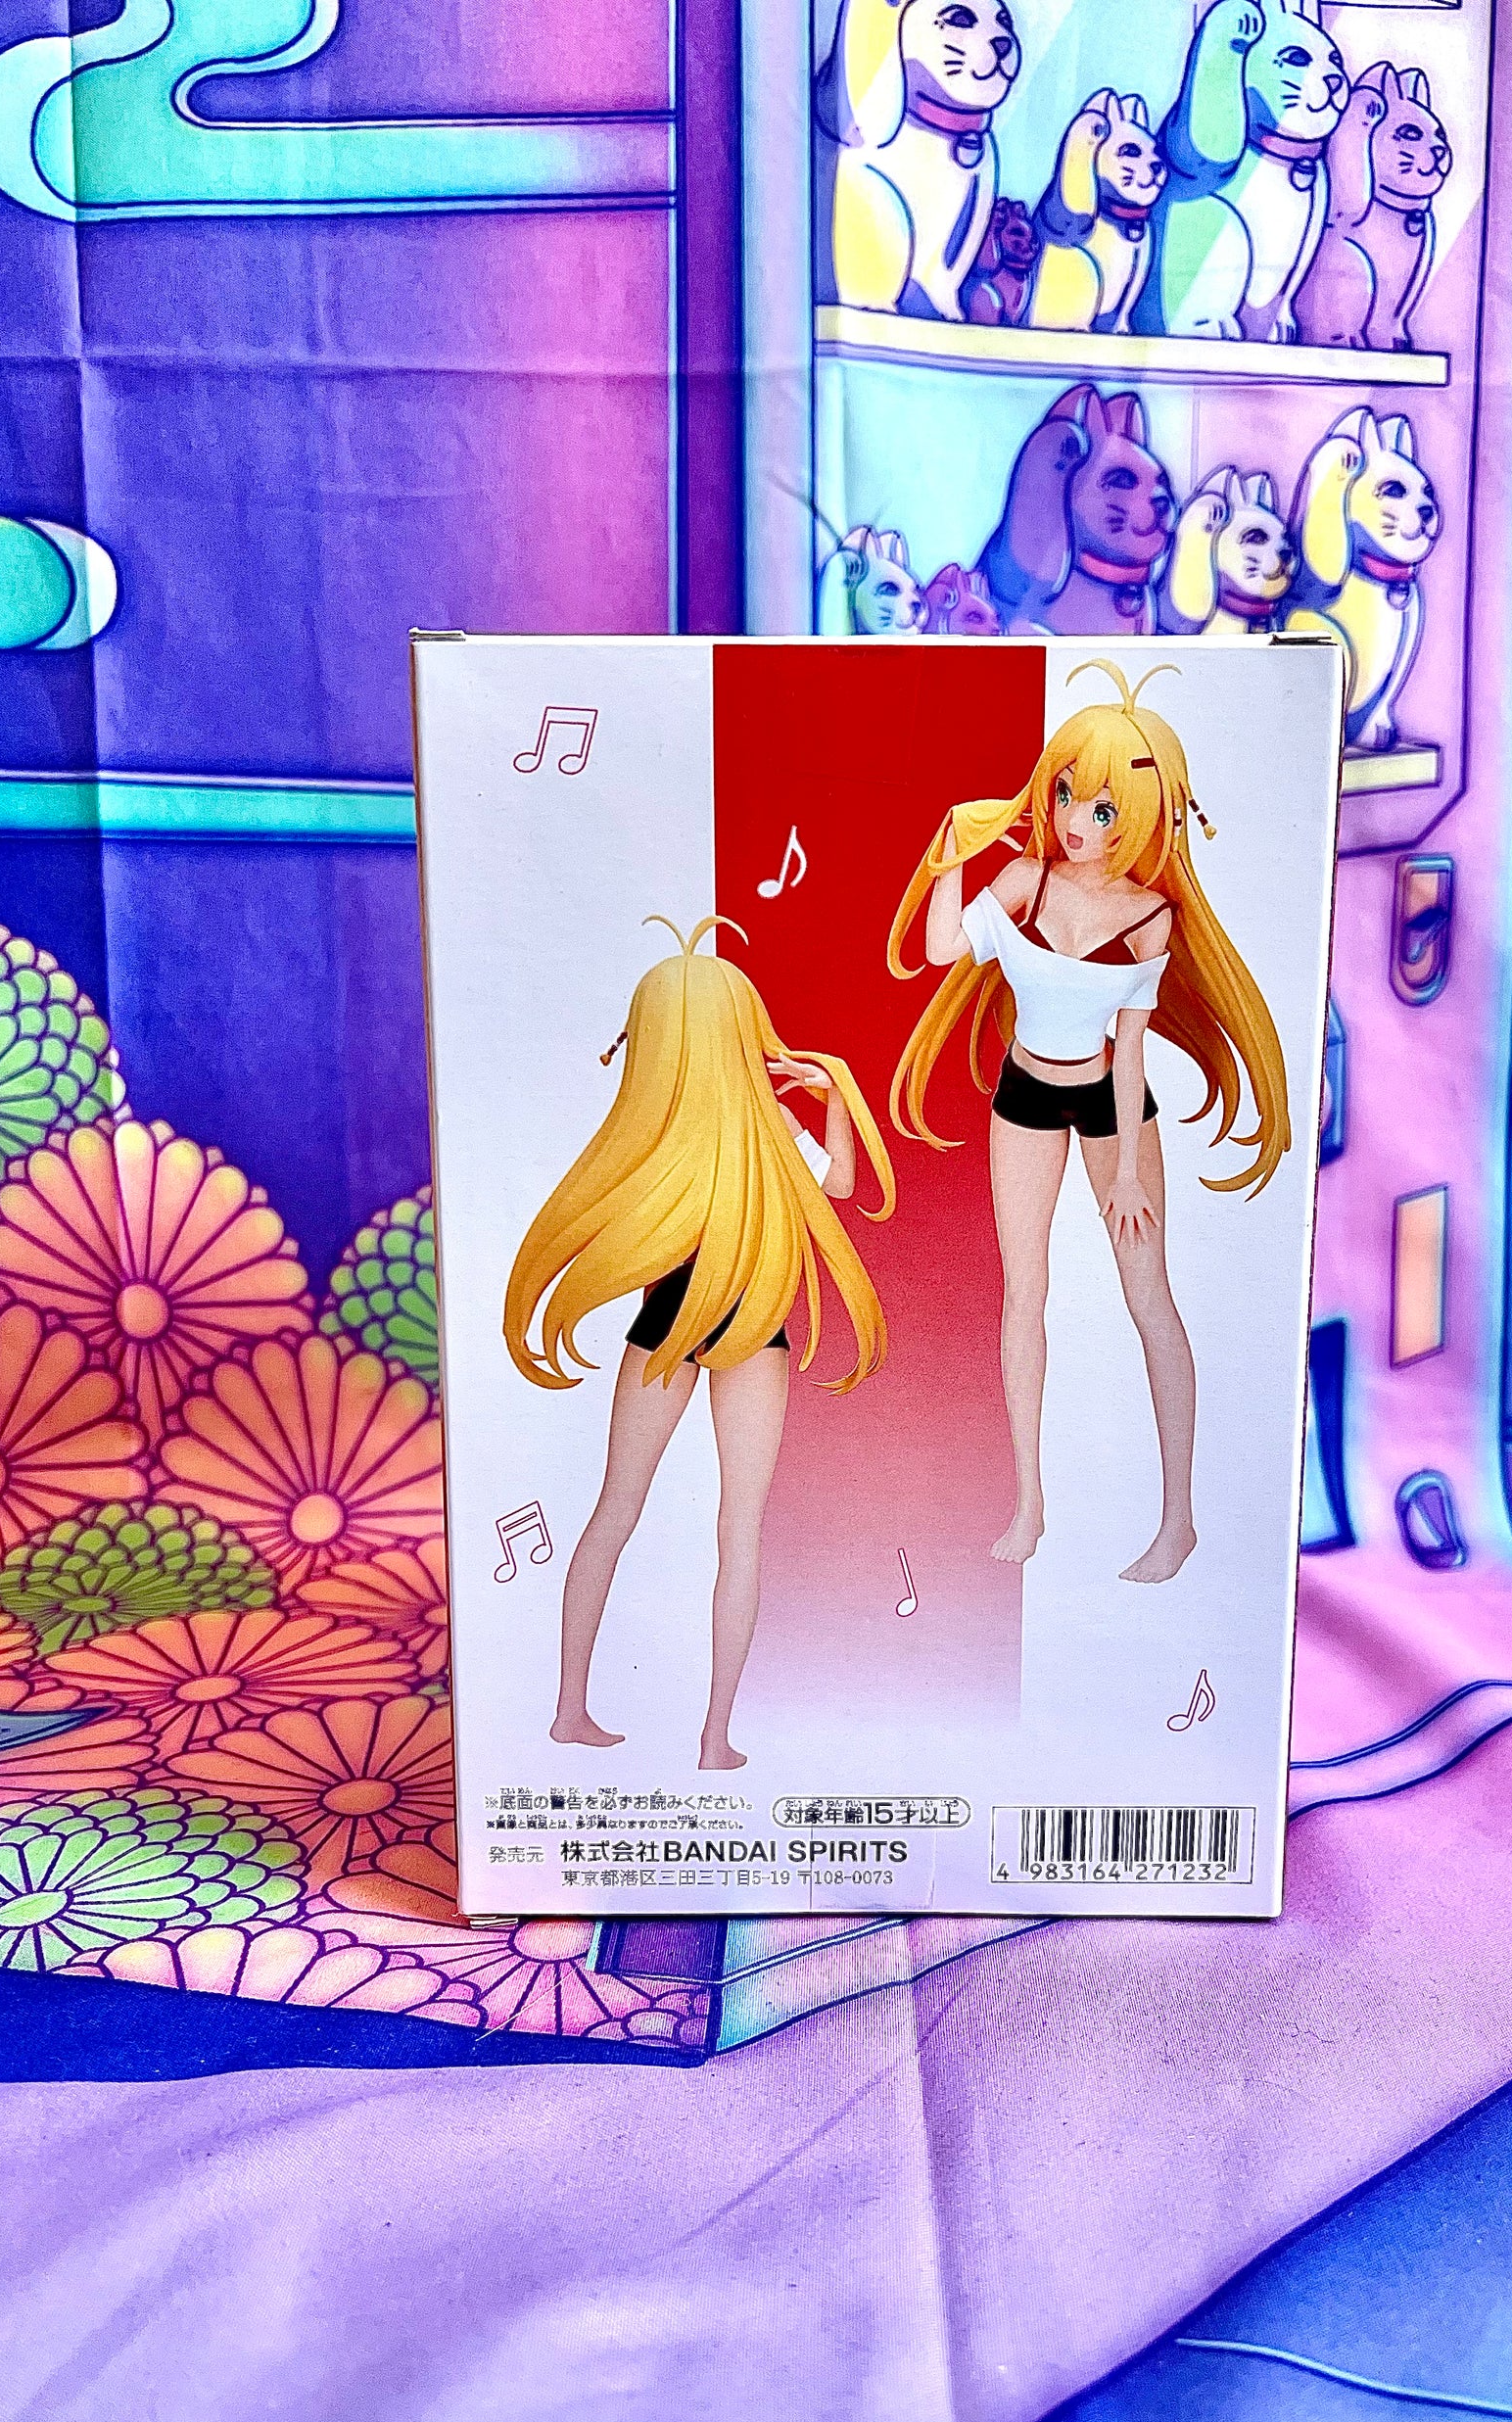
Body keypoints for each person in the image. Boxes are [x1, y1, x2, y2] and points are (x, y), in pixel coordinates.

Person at [887, 660, 1288, 1580]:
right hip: (1025, 1097)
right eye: (1067, 793)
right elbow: (942, 947)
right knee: (1023, 1292)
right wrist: (949, 847)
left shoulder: (1149, 917)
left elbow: (1133, 1046)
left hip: (1112, 1105)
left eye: (1103, 808)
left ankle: (1178, 1519)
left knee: (1148, 1294)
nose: (1076, 821)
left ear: (1140, 816)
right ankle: (1029, 1504)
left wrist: (1130, 1174)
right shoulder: (1023, 883)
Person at [504, 919, 893, 1768]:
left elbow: (834, 1188)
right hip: (739, 1327)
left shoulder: (661, 1131)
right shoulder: (751, 1124)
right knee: (722, 1526)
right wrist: (831, 1092)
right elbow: (839, 1185)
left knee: (626, 1510)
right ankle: (701, 1736)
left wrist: (832, 1093)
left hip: (688, 1326)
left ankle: (597, 1715)